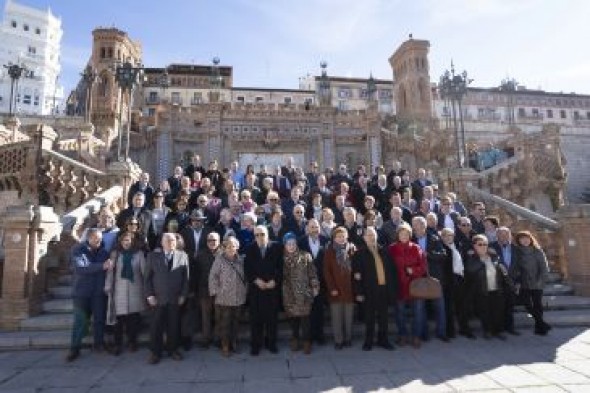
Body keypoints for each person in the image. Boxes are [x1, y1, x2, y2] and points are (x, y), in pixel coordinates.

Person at [66, 228, 113, 362]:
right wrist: (101, 266)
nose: (97, 240)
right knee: (80, 321)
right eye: (94, 237)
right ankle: (74, 348)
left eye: (99, 237)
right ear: (88, 238)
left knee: (99, 320)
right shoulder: (78, 250)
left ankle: (99, 344)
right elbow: (81, 268)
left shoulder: (104, 252)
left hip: (98, 293)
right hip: (81, 292)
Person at [144, 233, 190, 364]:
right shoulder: (153, 256)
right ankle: (155, 353)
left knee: (174, 326)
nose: (171, 243)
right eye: (168, 241)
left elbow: (186, 279)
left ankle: (173, 350)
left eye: (173, 240)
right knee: (156, 326)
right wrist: (149, 295)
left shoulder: (183, 256)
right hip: (158, 298)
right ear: (162, 243)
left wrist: (183, 295)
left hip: (175, 298)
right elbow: (147, 278)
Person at [353, 227, 397, 351]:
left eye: (373, 235)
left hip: (383, 289)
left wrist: (391, 290)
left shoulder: (385, 251)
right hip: (368, 291)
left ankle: (383, 340)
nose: (371, 237)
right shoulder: (359, 253)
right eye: (369, 235)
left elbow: (391, 272)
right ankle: (368, 341)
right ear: (364, 238)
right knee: (369, 317)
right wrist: (359, 292)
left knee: (384, 317)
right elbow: (356, 276)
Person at [104, 231, 146, 355]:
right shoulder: (115, 254)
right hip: (119, 291)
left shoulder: (139, 254)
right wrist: (107, 286)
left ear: (132, 242)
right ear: (120, 242)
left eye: (128, 240)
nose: (126, 243)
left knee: (133, 319)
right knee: (119, 321)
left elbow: (144, 273)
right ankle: (118, 344)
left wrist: (148, 290)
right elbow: (110, 272)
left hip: (135, 290)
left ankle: (132, 342)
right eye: (124, 240)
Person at [464, 234, 512, 340]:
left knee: (498, 312)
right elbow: (470, 270)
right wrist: (482, 261)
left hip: (497, 288)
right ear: (474, 246)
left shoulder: (494, 256)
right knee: (485, 312)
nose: (483, 246)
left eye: (485, 244)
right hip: (482, 290)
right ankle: (487, 331)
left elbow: (503, 269)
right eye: (480, 244)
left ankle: (498, 331)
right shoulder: (472, 258)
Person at [244, 225, 283, 355]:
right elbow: (247, 269)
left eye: (262, 234)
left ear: (268, 234)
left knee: (272, 319)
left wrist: (275, 281)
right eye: (257, 235)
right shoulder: (250, 248)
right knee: (256, 319)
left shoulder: (277, 247)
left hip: (272, 289)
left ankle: (271, 343)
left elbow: (281, 267)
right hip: (256, 289)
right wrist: (256, 280)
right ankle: (256, 344)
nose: (260, 237)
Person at [388, 223, 427, 348]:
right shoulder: (391, 248)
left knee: (418, 312)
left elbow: (423, 266)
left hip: (415, 285)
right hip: (399, 285)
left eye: (406, 233)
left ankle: (416, 336)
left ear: (410, 235)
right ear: (397, 235)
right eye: (401, 233)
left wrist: (413, 270)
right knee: (400, 312)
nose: (404, 236)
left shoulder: (416, 247)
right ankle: (402, 335)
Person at [208, 236, 247, 356]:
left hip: (238, 297)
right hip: (223, 298)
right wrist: (215, 292)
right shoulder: (219, 260)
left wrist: (246, 291)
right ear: (224, 247)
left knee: (235, 322)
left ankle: (233, 342)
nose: (231, 248)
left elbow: (246, 277)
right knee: (224, 323)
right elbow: (212, 277)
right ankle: (225, 345)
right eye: (228, 246)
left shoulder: (241, 260)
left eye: (233, 246)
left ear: (237, 247)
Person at [282, 232, 320, 354]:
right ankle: (295, 338)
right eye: (289, 244)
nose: (291, 246)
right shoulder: (281, 257)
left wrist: (314, 286)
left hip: (304, 292)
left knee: (305, 319)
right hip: (289, 293)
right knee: (293, 319)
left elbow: (312, 273)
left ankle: (307, 341)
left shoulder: (305, 256)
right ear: (285, 245)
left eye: (293, 243)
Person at [512, 231, 552, 335]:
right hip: (524, 283)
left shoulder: (537, 251)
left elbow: (544, 268)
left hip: (537, 282)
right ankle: (541, 323)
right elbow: (516, 267)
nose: (524, 240)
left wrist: (541, 281)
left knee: (537, 304)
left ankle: (539, 328)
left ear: (530, 239)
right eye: (521, 239)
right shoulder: (517, 252)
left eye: (526, 238)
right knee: (527, 303)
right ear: (518, 241)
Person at [324, 226, 356, 350]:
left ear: (346, 237)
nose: (341, 238)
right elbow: (326, 271)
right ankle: (338, 340)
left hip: (349, 288)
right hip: (335, 288)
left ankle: (348, 339)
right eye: (338, 236)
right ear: (334, 238)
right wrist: (332, 287)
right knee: (337, 317)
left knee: (348, 316)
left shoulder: (352, 249)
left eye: (343, 236)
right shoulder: (329, 251)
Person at [298, 219, 329, 345]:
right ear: (307, 229)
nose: (315, 229)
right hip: (307, 281)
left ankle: (319, 335)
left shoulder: (326, 241)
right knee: (308, 310)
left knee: (319, 310)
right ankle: (308, 337)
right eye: (312, 227)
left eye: (316, 227)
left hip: (322, 281)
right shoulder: (301, 241)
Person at [490, 227, 520, 335]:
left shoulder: (515, 248)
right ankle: (499, 329)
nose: (504, 237)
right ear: (497, 235)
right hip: (497, 281)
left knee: (510, 305)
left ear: (510, 236)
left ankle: (510, 328)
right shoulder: (491, 246)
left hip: (511, 282)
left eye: (506, 234)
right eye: (501, 234)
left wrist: (518, 282)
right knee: (498, 306)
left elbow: (519, 266)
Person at [195, 232, 221, 348]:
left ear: (219, 242)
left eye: (214, 240)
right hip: (204, 290)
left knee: (218, 315)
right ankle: (206, 339)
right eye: (210, 240)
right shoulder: (200, 255)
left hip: (220, 291)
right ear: (206, 242)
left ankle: (218, 338)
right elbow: (197, 273)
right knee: (206, 316)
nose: (212, 242)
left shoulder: (223, 254)